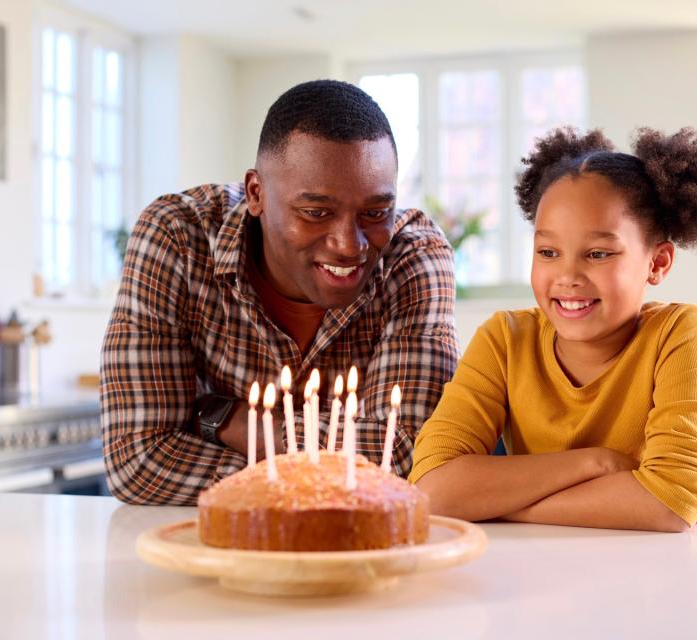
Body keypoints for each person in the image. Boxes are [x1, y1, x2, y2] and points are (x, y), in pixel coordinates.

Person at [101, 80, 459, 505]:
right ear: (257, 193)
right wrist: (322, 478)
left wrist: (226, 418)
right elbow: (138, 461)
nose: (350, 244)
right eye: (316, 213)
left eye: (375, 212)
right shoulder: (177, 236)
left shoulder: (413, 254)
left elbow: (404, 457)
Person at [409, 126, 697, 531]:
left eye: (598, 253)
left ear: (658, 263)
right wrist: (596, 464)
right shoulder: (504, 339)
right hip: (535, 577)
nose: (567, 276)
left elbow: (667, 505)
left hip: (648, 578)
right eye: (548, 252)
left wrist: (495, 504)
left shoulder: (680, 334)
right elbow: (431, 491)